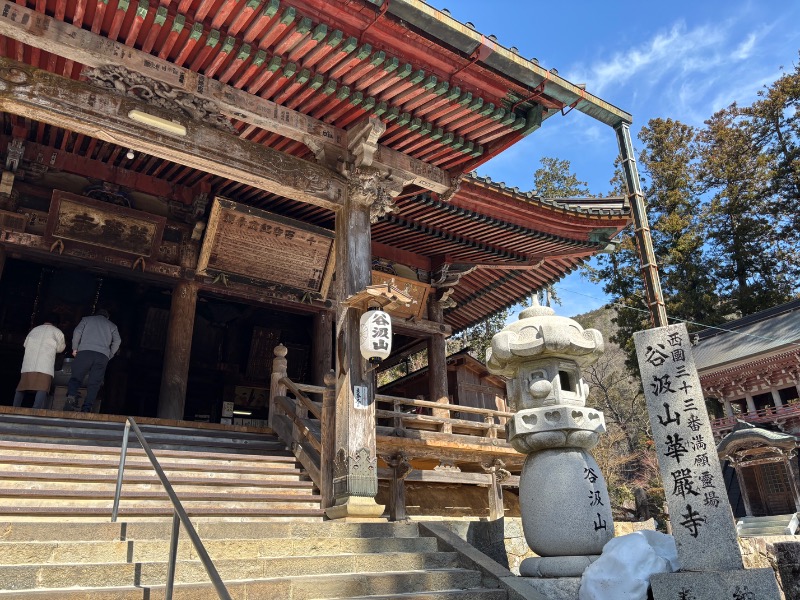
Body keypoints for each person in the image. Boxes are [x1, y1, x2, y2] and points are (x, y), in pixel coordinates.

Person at [65, 309, 121, 413]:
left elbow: (77, 332)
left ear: (95, 315)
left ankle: (70, 398)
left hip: (84, 352)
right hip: (102, 356)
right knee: (94, 383)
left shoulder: (86, 319)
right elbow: (118, 341)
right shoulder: (112, 325)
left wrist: (75, 348)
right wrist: (110, 354)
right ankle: (87, 407)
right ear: (107, 317)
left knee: (76, 377)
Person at [13, 313, 66, 409]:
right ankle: (36, 409)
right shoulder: (57, 332)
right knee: (42, 387)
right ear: (56, 323)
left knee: (22, 386)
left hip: (29, 363)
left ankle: (14, 407)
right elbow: (60, 349)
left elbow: (25, 344)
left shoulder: (34, 330)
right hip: (45, 364)